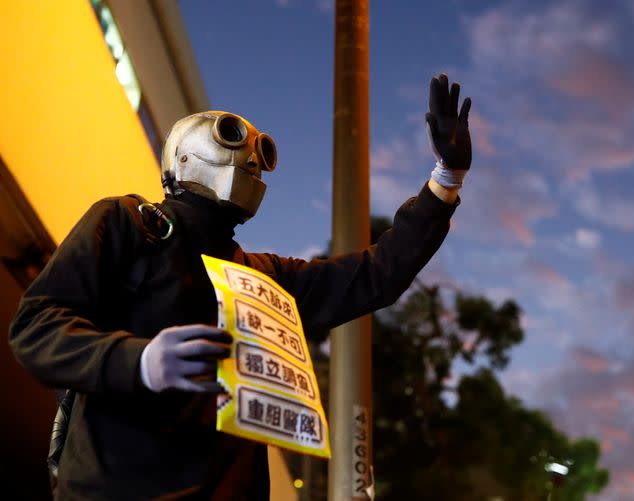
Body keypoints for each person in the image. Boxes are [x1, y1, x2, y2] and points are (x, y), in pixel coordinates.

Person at [8, 74, 471, 499]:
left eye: (261, 153)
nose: (252, 159)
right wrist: (139, 361)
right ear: (182, 154)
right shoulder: (130, 225)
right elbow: (37, 326)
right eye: (231, 137)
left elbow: (376, 275)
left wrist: (445, 180)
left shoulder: (263, 277)